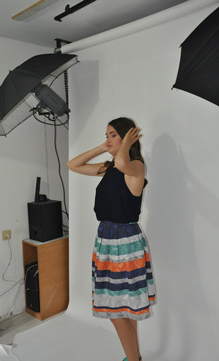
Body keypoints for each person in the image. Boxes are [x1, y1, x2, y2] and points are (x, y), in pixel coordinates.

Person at [67, 117, 156, 361]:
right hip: (106, 239)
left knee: (116, 308)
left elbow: (122, 162)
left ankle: (133, 360)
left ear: (128, 136)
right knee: (122, 306)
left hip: (125, 242)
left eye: (113, 134)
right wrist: (102, 147)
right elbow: (72, 164)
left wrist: (124, 145)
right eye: (106, 135)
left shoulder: (136, 166)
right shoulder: (108, 168)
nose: (108, 139)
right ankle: (133, 356)